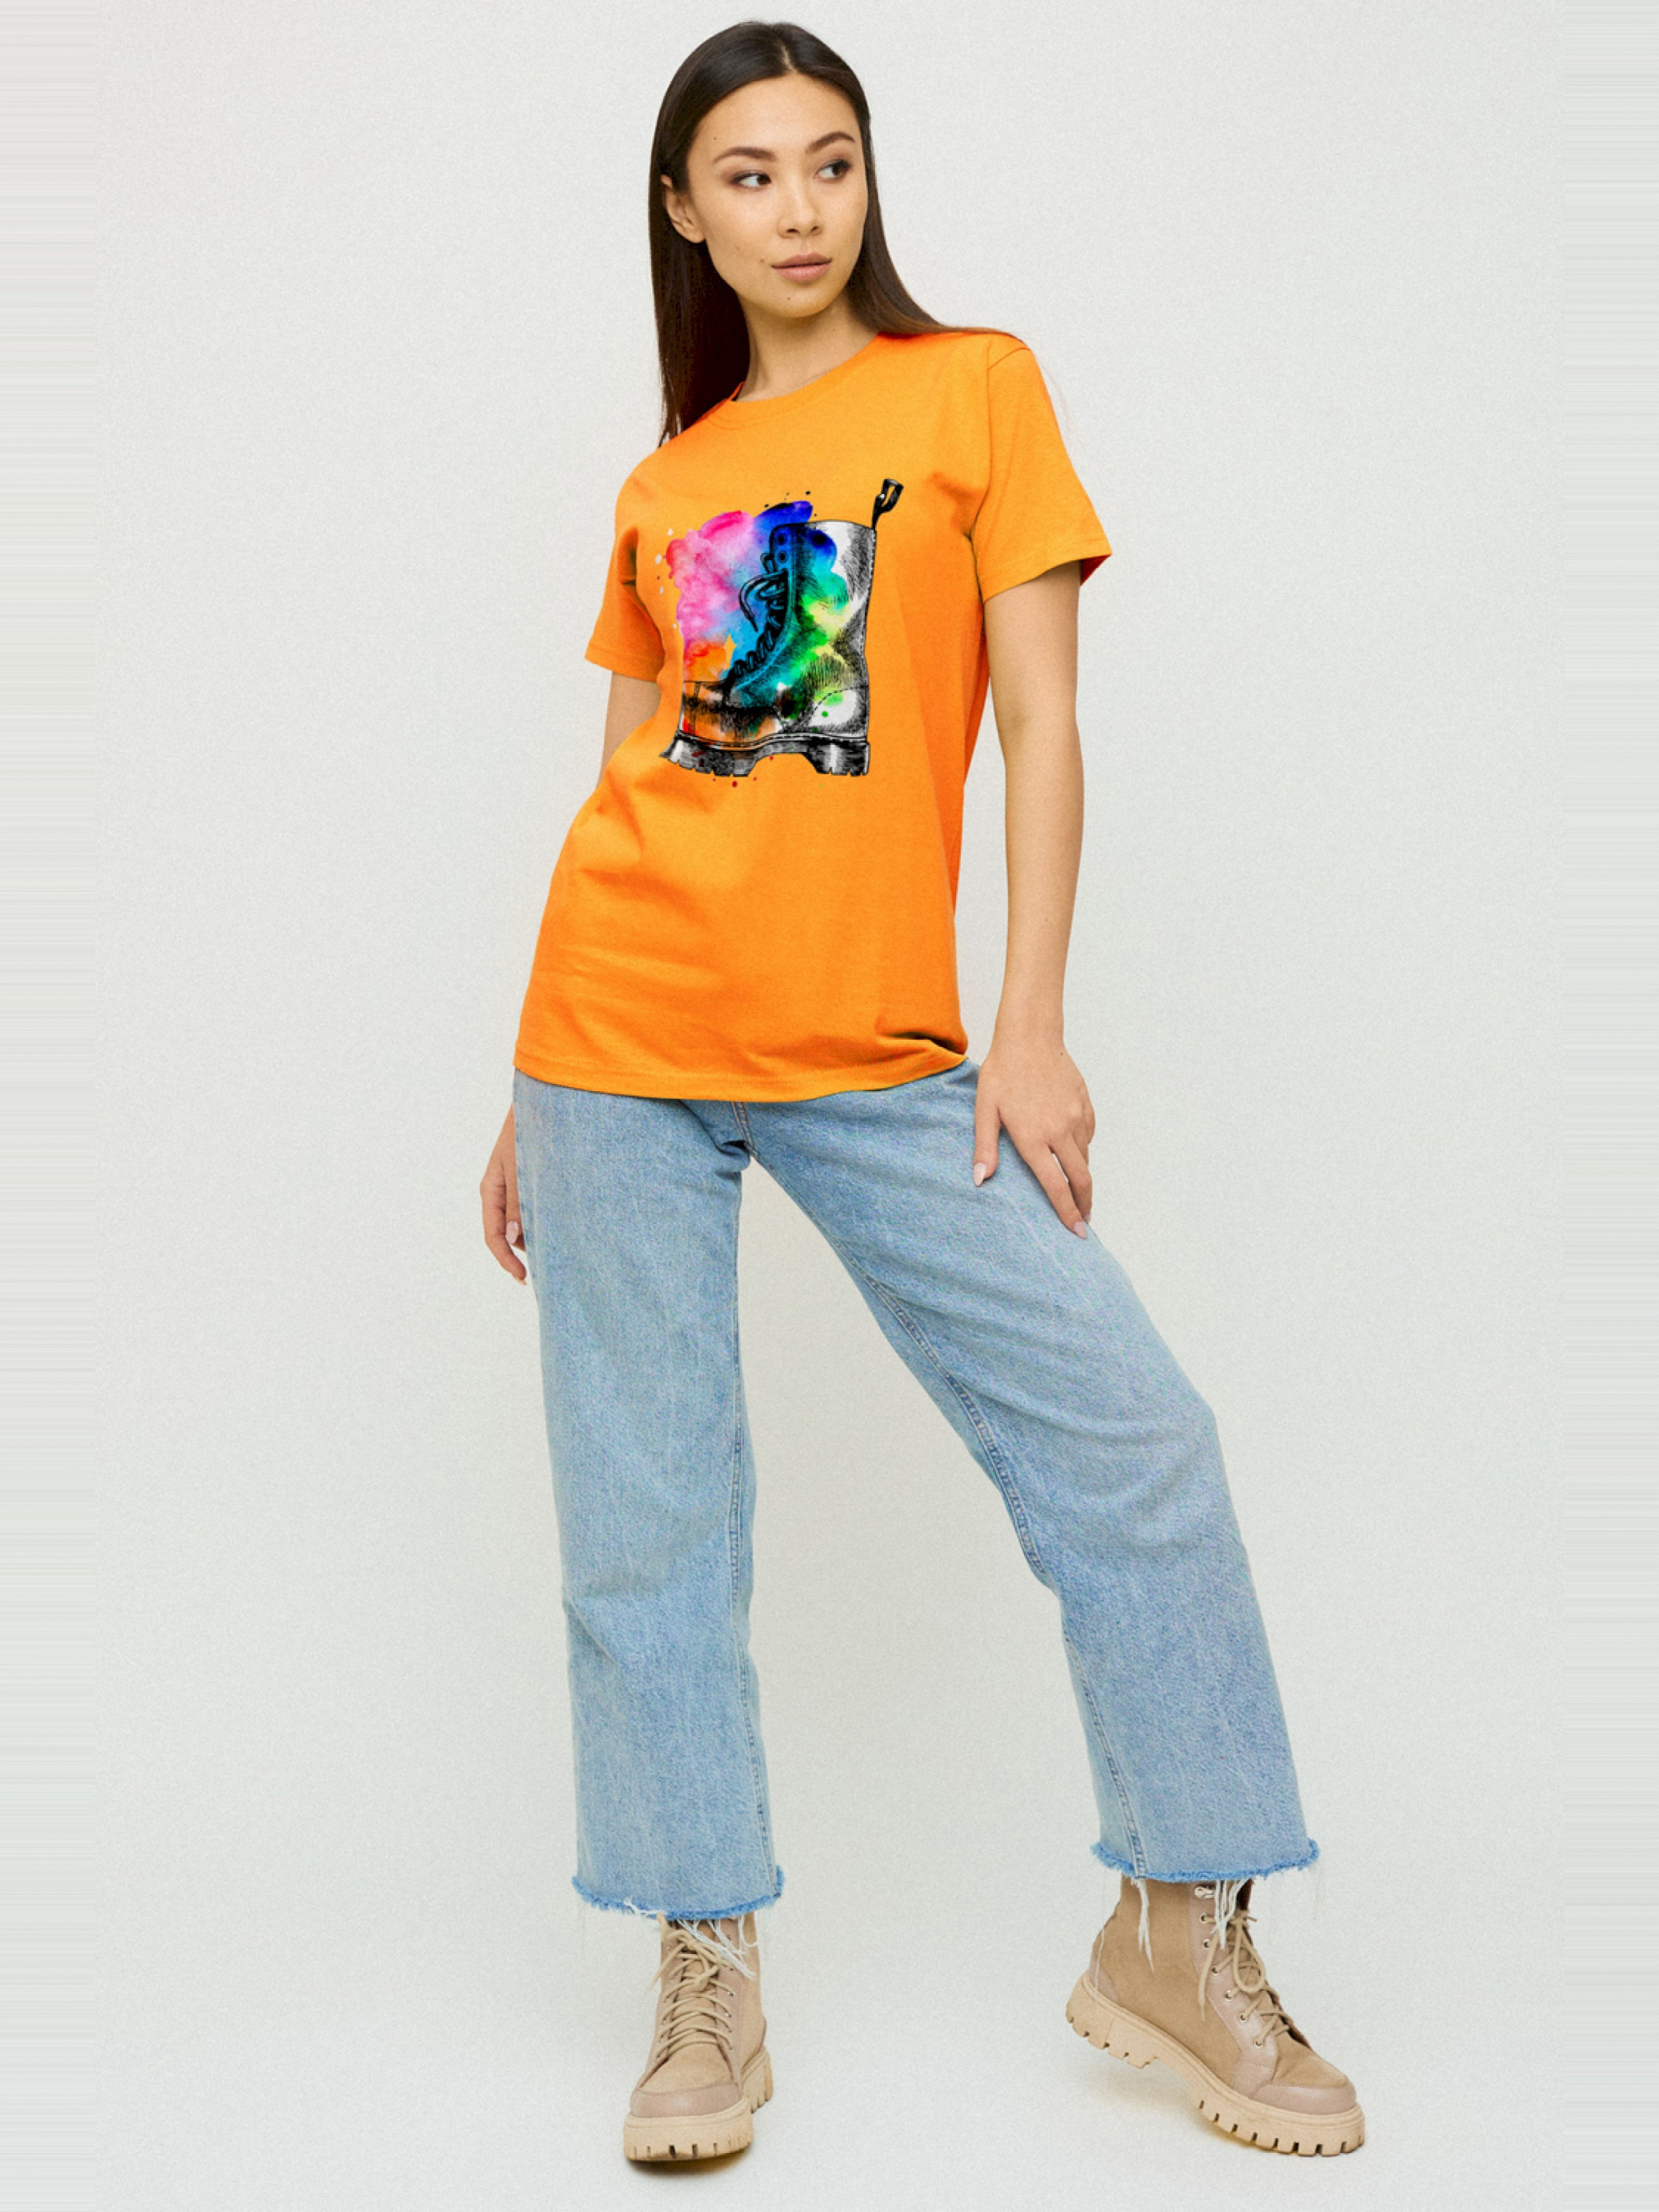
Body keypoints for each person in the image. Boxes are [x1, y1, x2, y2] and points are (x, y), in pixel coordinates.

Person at [479, 18, 1364, 2167]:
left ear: (867, 182)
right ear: (685, 211)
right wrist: (524, 1078)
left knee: (1135, 1446)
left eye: (830, 162)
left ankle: (1180, 1934)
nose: (797, 207)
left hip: (879, 1054)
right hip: (613, 1040)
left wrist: (1027, 1022)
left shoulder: (975, 390)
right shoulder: (672, 478)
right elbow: (629, 776)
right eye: (749, 174)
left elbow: (1042, 724)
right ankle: (705, 1975)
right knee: (649, 1528)